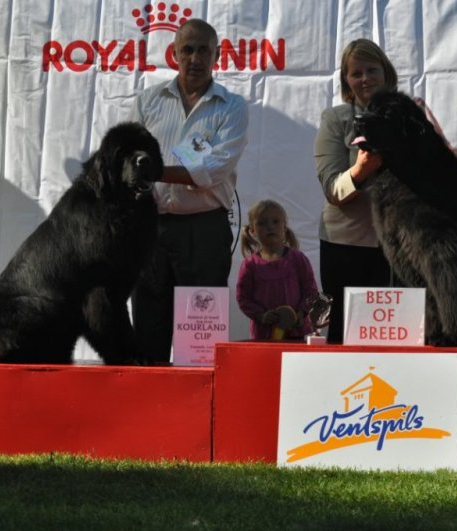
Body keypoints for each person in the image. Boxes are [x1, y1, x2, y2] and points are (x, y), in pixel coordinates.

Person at [130, 19, 249, 363]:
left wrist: (152, 171)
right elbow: (127, 159)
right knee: (148, 330)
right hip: (150, 228)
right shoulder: (148, 101)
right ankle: (151, 410)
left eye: (203, 50)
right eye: (187, 50)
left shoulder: (232, 107)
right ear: (174, 54)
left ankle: (199, 412)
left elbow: (213, 170)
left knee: (199, 343)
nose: (195, 58)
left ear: (217, 55)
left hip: (205, 231)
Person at [313, 39, 398, 343]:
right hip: (346, 246)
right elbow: (332, 189)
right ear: (346, 80)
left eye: (372, 70)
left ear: (385, 72)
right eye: (356, 73)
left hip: (400, 247)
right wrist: (361, 170)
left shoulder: (406, 117)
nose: (365, 79)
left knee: (399, 334)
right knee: (345, 337)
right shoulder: (335, 120)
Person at [236, 199, 319, 340]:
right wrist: (261, 315)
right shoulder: (250, 265)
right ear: (252, 231)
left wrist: (300, 314)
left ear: (284, 227)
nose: (270, 227)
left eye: (275, 221)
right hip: (263, 335)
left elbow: (310, 291)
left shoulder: (298, 259)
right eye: (262, 223)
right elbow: (243, 298)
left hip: (297, 333)